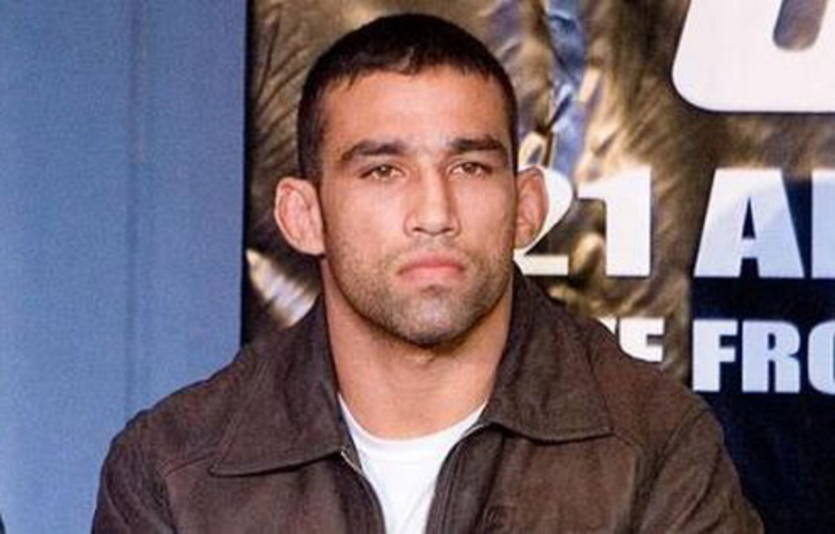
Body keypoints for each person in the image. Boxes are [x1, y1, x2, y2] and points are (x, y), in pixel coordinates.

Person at [93, 13, 761, 533]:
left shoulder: (652, 444)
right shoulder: (175, 468)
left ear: (526, 208)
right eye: (383, 171)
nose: (434, 213)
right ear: (304, 215)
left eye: (469, 167)